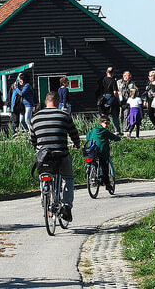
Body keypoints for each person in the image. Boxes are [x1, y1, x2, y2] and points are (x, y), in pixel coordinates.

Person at [30, 91, 81, 222]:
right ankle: (67, 206)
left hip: (44, 156)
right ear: (57, 102)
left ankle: (45, 198)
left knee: (44, 177)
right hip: (61, 154)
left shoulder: (35, 118)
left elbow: (33, 139)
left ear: (46, 102)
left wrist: (38, 148)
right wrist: (76, 144)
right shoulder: (64, 115)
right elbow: (73, 133)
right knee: (68, 178)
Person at [85, 115, 122, 191]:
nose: (107, 125)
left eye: (109, 123)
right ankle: (107, 185)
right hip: (101, 151)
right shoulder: (105, 131)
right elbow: (113, 137)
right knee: (105, 167)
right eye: (106, 123)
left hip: (91, 150)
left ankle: (93, 172)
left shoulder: (94, 129)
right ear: (101, 123)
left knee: (94, 161)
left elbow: (88, 136)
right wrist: (119, 138)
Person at [117, 71, 134, 137]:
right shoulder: (118, 82)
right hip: (120, 102)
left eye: (130, 75)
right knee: (120, 115)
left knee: (126, 115)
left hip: (127, 101)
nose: (130, 77)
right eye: (128, 75)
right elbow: (116, 90)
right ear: (124, 76)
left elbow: (133, 91)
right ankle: (119, 129)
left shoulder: (132, 83)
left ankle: (125, 129)